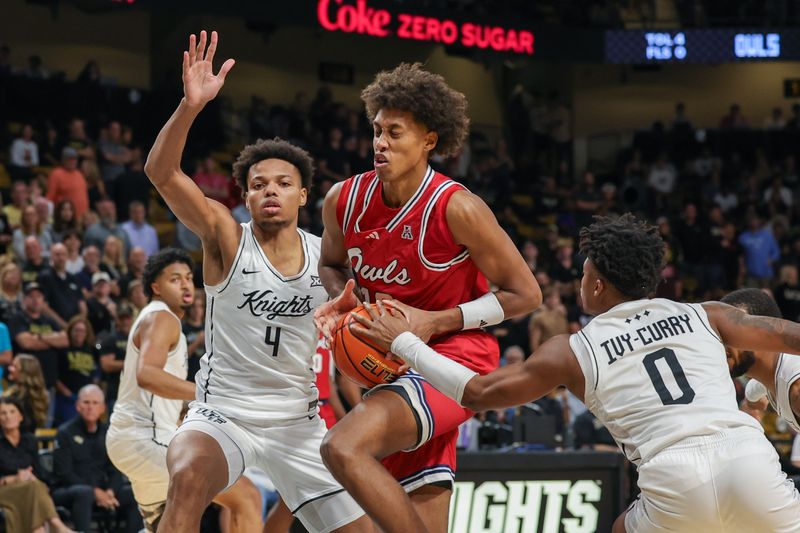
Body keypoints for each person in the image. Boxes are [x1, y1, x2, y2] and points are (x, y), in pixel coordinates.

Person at [353, 214, 800, 532]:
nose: (578, 280)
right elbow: (790, 336)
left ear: (598, 285)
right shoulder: (710, 314)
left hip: (671, 476)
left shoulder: (571, 350)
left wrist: (404, 342)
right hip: (747, 458)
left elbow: (477, 392)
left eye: (583, 273)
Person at [144, 31, 368, 532]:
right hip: (223, 414)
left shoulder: (327, 256)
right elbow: (160, 172)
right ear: (244, 196)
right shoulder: (226, 235)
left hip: (300, 422)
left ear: (303, 195)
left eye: (283, 183)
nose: (271, 190)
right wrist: (189, 106)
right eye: (259, 184)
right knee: (186, 476)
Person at [314, 62, 541, 532]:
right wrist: (346, 301)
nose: (381, 142)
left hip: (456, 360)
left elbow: (525, 294)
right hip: (391, 362)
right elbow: (331, 264)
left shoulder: (458, 208)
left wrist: (432, 322)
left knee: (342, 446)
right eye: (377, 130)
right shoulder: (343, 199)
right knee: (422, 503)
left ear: (429, 141)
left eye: (395, 133)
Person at [106, 247, 260, 531]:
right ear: (156, 287)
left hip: (138, 437)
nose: (186, 284)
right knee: (246, 497)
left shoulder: (156, 317)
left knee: (167, 525)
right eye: (174, 279)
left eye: (188, 277)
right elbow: (147, 375)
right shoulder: (161, 317)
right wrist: (205, 392)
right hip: (144, 437)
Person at [53, 385, 142, 532]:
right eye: (86, 402)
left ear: (102, 408)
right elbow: (64, 473)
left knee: (134, 492)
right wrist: (95, 492)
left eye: (95, 403)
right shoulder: (64, 433)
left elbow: (115, 468)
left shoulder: (109, 433)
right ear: (77, 406)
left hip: (103, 491)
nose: (90, 407)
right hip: (68, 489)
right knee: (84, 493)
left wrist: (110, 491)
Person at [721, 288, 800, 432]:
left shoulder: (796, 389)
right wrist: (751, 403)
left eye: (730, 333)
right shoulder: (771, 376)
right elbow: (755, 389)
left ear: (764, 332)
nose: (722, 345)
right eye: (720, 336)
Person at [0, 397, 76, 533]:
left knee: (34, 486)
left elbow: (40, 473)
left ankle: (38, 530)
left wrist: (31, 476)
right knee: (34, 487)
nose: (8, 416)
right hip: (4, 491)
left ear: (21, 416)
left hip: (30, 488)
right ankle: (57, 526)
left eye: (12, 412)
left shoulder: (30, 440)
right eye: (3, 413)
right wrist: (15, 478)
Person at [3, 354, 49, 433]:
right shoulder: (40, 395)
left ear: (24, 373)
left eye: (14, 366)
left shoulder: (14, 398)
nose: (9, 368)